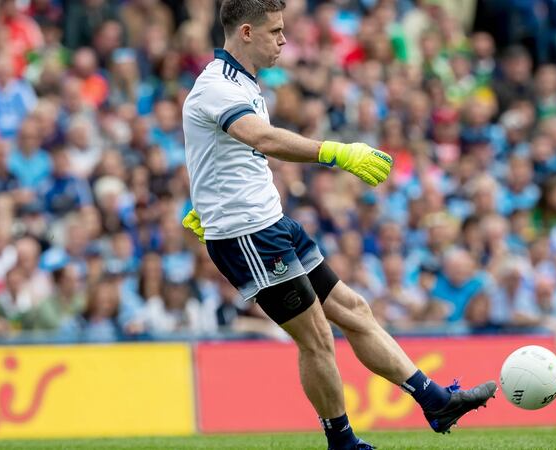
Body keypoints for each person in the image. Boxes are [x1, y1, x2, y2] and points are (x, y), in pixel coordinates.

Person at [180, 2, 496, 449]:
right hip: (246, 232)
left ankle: (435, 401)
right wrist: (337, 152)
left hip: (270, 221)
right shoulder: (217, 84)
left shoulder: (245, 83)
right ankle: (343, 443)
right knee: (318, 338)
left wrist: (203, 199)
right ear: (247, 32)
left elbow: (214, 151)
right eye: (276, 32)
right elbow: (261, 139)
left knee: (354, 310)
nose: (284, 40)